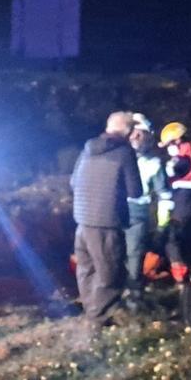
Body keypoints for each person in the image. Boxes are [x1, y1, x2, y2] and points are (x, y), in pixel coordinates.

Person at [70, 111, 143, 325]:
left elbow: (74, 182)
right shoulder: (124, 152)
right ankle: (99, 319)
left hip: (82, 221)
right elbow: (135, 190)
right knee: (110, 272)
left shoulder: (87, 149)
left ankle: (91, 310)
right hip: (106, 222)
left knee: (87, 269)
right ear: (128, 131)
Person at [125, 113, 167, 301]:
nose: (136, 137)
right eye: (133, 133)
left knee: (134, 255)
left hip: (137, 214)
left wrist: (162, 226)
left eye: (141, 134)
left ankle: (134, 298)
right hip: (112, 212)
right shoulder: (116, 157)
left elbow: (164, 196)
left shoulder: (154, 164)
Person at [157, 121, 191, 284]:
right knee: (186, 235)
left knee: (173, 238)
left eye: (169, 145)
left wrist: (169, 165)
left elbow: (173, 171)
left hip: (184, 201)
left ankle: (179, 275)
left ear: (176, 141)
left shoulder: (182, 159)